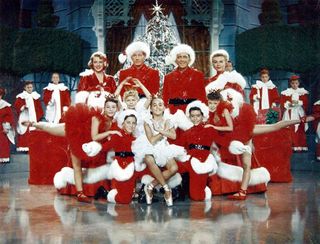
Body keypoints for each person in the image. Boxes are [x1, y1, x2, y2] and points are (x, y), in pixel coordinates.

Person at [132, 97, 189, 206]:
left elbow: (173, 135)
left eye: (160, 105)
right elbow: (152, 140)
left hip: (163, 146)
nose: (157, 107)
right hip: (150, 146)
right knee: (148, 158)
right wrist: (162, 132)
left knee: (174, 168)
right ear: (151, 109)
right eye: (154, 105)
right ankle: (167, 189)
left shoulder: (168, 120)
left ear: (164, 108)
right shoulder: (147, 122)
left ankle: (150, 186)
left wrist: (161, 131)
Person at [83, 110, 138, 204]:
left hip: (132, 168)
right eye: (128, 122)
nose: (131, 125)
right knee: (124, 200)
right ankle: (104, 193)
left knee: (127, 199)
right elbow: (104, 147)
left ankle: (107, 192)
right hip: (121, 168)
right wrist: (92, 148)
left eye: (133, 123)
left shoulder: (135, 138)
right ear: (123, 123)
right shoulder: (118, 135)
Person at [176, 100, 221, 201]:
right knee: (172, 165)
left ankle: (203, 188)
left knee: (197, 197)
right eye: (192, 116)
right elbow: (178, 146)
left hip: (202, 161)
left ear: (202, 116)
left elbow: (221, 140)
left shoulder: (209, 129)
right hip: (190, 161)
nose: (195, 118)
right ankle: (179, 188)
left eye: (198, 115)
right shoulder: (187, 132)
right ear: (189, 117)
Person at [162, 44, 206, 131]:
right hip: (174, 111)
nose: (182, 60)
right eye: (179, 57)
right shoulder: (168, 77)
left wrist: (201, 113)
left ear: (189, 59)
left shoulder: (198, 75)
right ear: (175, 59)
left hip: (191, 111)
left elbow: (202, 97)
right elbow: (165, 97)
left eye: (185, 57)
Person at [280, 75, 309, 152]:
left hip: (299, 112)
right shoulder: (286, 92)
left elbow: (305, 102)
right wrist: (288, 104)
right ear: (290, 84)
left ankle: (301, 145)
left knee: (300, 128)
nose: (294, 85)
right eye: (293, 83)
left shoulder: (302, 92)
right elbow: (283, 103)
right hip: (290, 112)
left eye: (296, 83)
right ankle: (292, 146)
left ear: (298, 83)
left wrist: (299, 102)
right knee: (291, 128)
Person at [14, 81, 43, 152]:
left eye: (31, 87)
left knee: (33, 130)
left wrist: (39, 115)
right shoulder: (21, 96)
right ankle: (25, 148)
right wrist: (23, 107)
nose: (30, 89)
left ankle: (33, 147)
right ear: (25, 88)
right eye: (28, 87)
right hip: (24, 116)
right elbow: (17, 106)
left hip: (33, 116)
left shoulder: (35, 96)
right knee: (25, 130)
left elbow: (39, 107)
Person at [0, 88, 15, 163]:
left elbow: (9, 117)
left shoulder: (5, 105)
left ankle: (3, 158)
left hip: (2, 127)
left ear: (1, 96)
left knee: (3, 142)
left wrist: (6, 126)